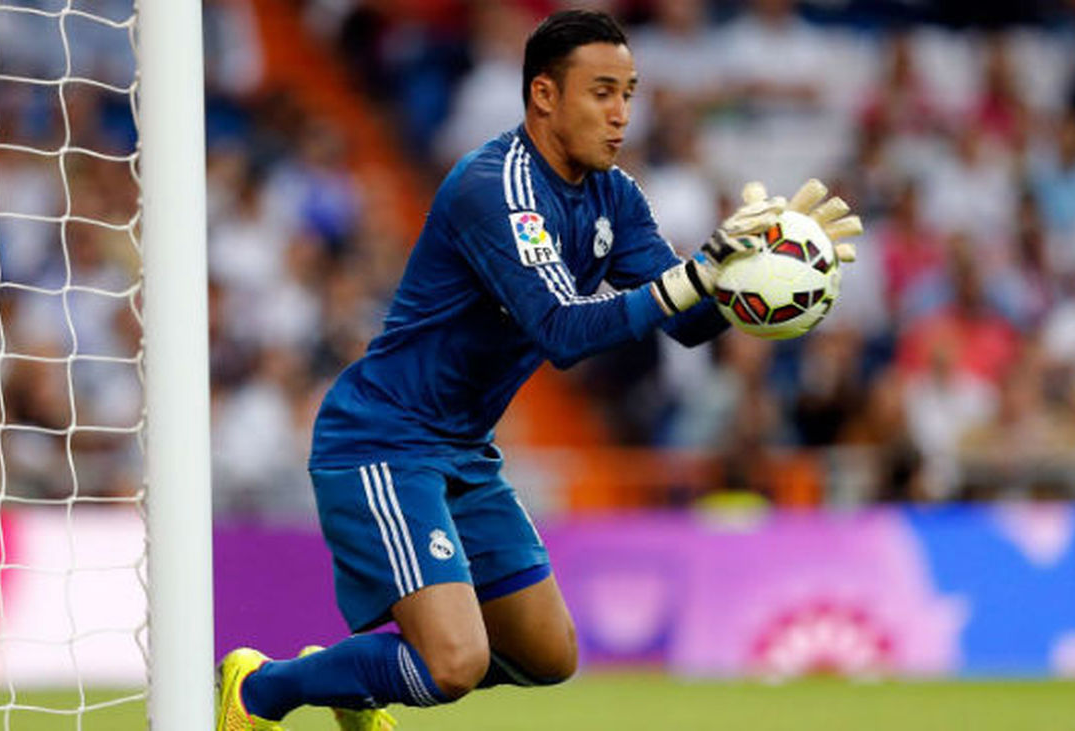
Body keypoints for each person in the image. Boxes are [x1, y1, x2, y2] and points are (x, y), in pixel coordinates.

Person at [216, 9, 860, 731]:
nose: (621, 114)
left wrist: (760, 272)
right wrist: (698, 274)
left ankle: (353, 676)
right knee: (452, 664)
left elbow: (686, 322)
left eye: (630, 93)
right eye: (602, 92)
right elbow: (561, 331)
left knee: (547, 654)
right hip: (385, 441)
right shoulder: (495, 188)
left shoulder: (615, 195)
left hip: (463, 449)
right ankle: (262, 688)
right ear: (545, 96)